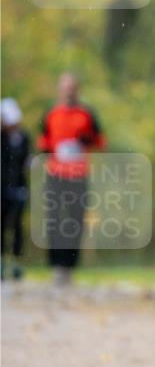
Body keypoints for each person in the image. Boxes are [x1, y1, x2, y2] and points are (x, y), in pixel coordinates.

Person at [37, 73, 106, 286]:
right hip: (56, 174)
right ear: (60, 89)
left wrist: (88, 140)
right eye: (65, 87)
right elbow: (42, 141)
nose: (68, 91)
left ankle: (69, 268)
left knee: (75, 221)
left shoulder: (87, 114)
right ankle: (56, 266)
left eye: (72, 87)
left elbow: (101, 141)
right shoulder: (51, 114)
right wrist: (49, 150)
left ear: (77, 89)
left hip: (78, 174)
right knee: (55, 220)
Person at [1, 98, 31, 280]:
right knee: (2, 225)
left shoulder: (24, 137)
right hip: (2, 187)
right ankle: (2, 262)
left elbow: (25, 162)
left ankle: (17, 261)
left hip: (19, 187)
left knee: (17, 225)